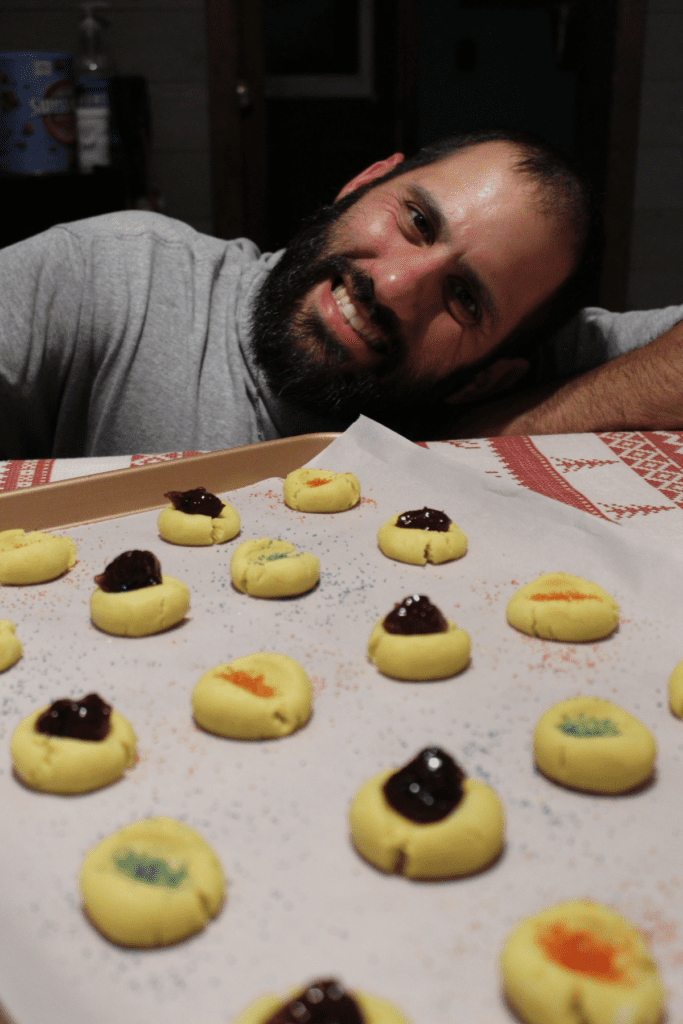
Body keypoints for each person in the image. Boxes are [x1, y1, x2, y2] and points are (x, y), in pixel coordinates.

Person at [1, 127, 681, 459]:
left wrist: (494, 432)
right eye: (415, 221)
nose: (392, 286)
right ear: (363, 181)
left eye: (464, 301)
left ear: (488, 378)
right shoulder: (112, 277)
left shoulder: (506, 372)